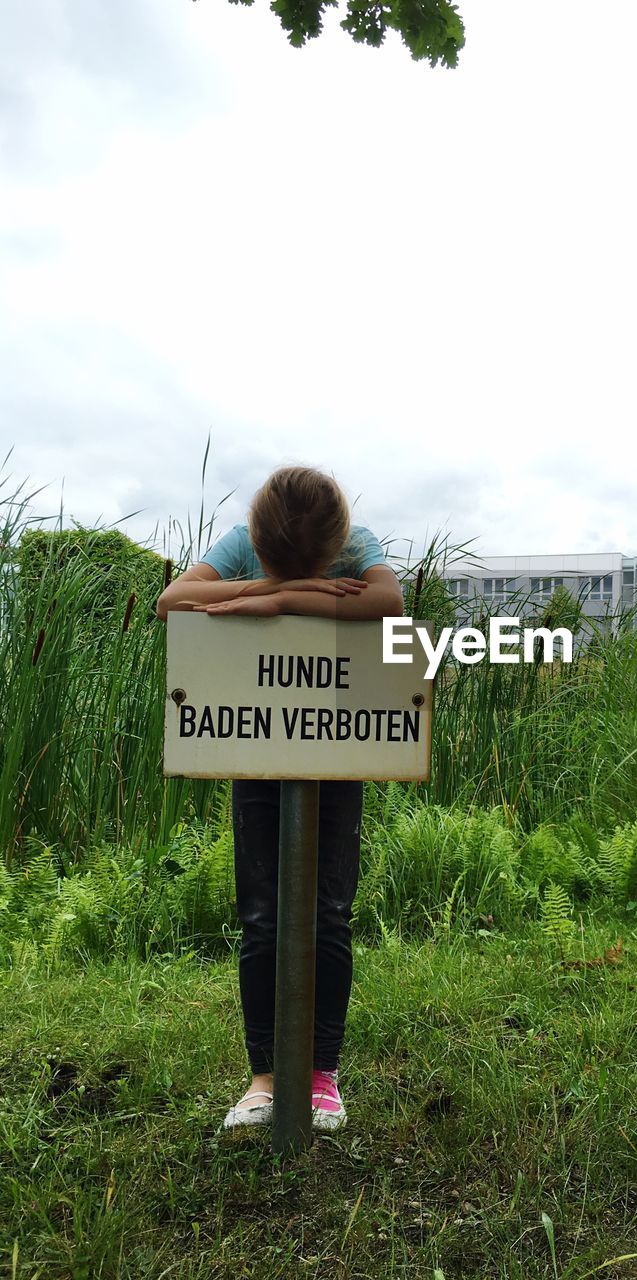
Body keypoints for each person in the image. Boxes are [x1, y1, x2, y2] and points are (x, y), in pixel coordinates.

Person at [156, 465, 404, 1131]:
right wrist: (288, 584)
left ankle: (321, 1075)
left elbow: (386, 605)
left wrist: (279, 602)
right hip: (257, 747)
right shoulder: (239, 544)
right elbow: (170, 601)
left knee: (330, 912)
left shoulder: (359, 547)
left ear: (338, 546)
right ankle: (264, 1076)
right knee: (261, 914)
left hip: (337, 746)